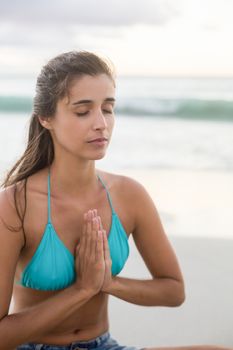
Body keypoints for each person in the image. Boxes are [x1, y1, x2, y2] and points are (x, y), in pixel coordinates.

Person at [0, 51, 230, 350]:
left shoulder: (129, 195)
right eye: (83, 111)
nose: (100, 123)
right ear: (46, 118)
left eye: (108, 109)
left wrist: (109, 283)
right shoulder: (15, 205)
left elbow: (173, 291)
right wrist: (82, 289)